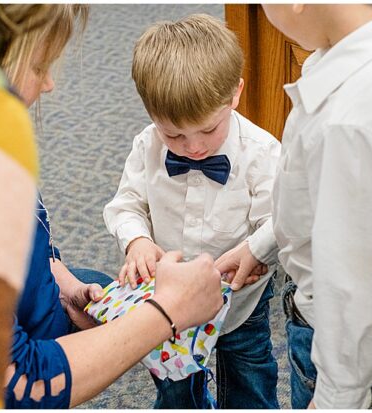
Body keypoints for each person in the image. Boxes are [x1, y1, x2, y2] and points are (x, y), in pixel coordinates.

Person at [0, 5, 227, 408]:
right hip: (17, 369)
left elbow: (30, 237)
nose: (51, 84)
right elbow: (17, 385)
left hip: (44, 300)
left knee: (93, 281)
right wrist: (165, 312)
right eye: (39, 67)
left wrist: (64, 285)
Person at [102, 14, 281, 409]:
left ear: (235, 94)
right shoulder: (146, 147)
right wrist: (137, 241)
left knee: (250, 377)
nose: (194, 148)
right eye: (174, 135)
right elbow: (126, 204)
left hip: (240, 303)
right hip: (171, 302)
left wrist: (257, 249)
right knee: (175, 388)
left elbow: (279, 222)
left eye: (208, 130)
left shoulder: (262, 153)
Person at [219, 5, 372, 409]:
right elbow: (329, 209)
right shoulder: (338, 69)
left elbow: (351, 287)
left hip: (336, 350)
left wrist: (335, 397)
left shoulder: (345, 121)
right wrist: (260, 246)